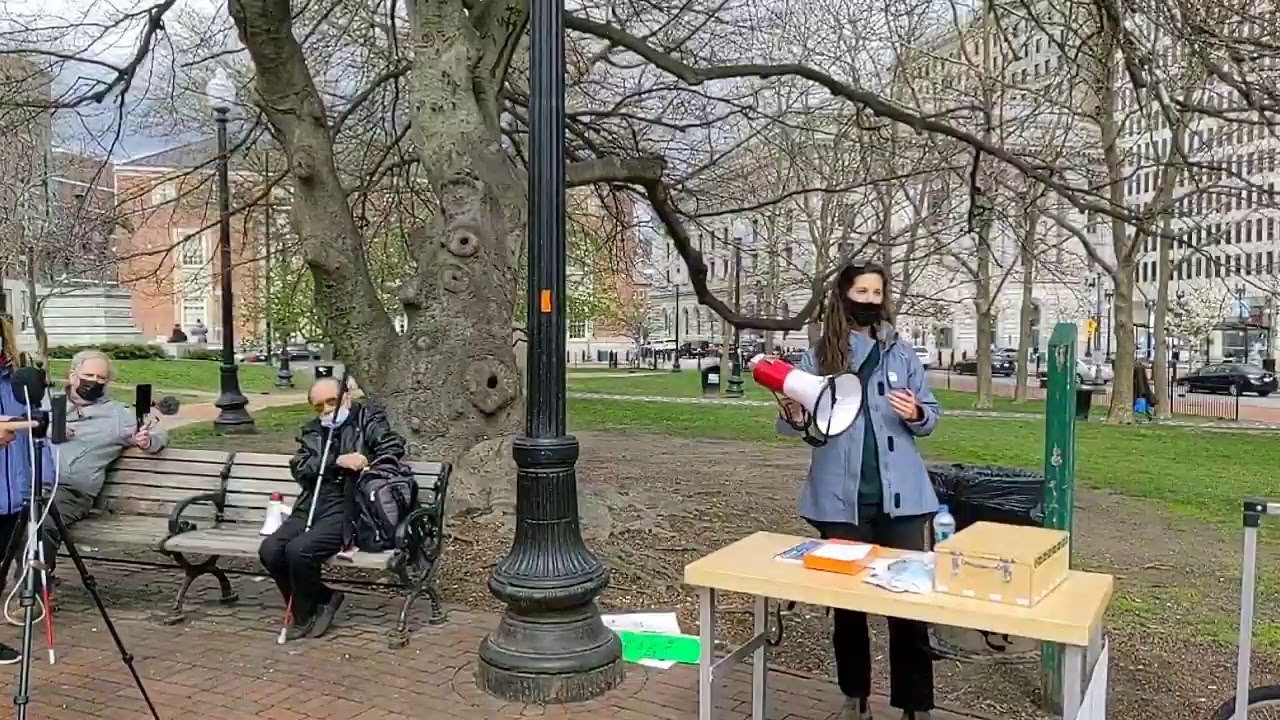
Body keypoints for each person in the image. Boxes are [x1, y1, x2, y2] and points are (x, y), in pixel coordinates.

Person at [777, 262, 941, 720]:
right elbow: (796, 427)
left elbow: (931, 415)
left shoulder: (902, 354)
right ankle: (855, 696)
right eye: (861, 291)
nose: (869, 300)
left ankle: (915, 704)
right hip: (840, 501)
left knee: (907, 600)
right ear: (844, 296)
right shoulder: (819, 356)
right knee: (848, 606)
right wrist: (793, 414)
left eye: (876, 292)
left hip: (903, 500)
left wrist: (915, 413)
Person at [258, 376, 407, 641]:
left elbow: (392, 449)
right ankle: (324, 597)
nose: (326, 410)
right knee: (270, 550)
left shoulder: (369, 420)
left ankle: (304, 616)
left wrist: (366, 460)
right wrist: (335, 461)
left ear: (346, 397)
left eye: (331, 402)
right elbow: (301, 468)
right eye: (319, 406)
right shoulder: (312, 431)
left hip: (351, 505)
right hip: (312, 503)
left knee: (299, 551)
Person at [40, 349, 169, 568]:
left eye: (101, 378)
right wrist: (46, 428)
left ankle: (34, 593)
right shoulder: (50, 403)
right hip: (32, 483)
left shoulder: (116, 415)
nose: (94, 382)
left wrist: (147, 440)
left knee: (41, 525)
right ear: (73, 375)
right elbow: (17, 426)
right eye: (89, 376)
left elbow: (158, 434)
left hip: (70, 492)